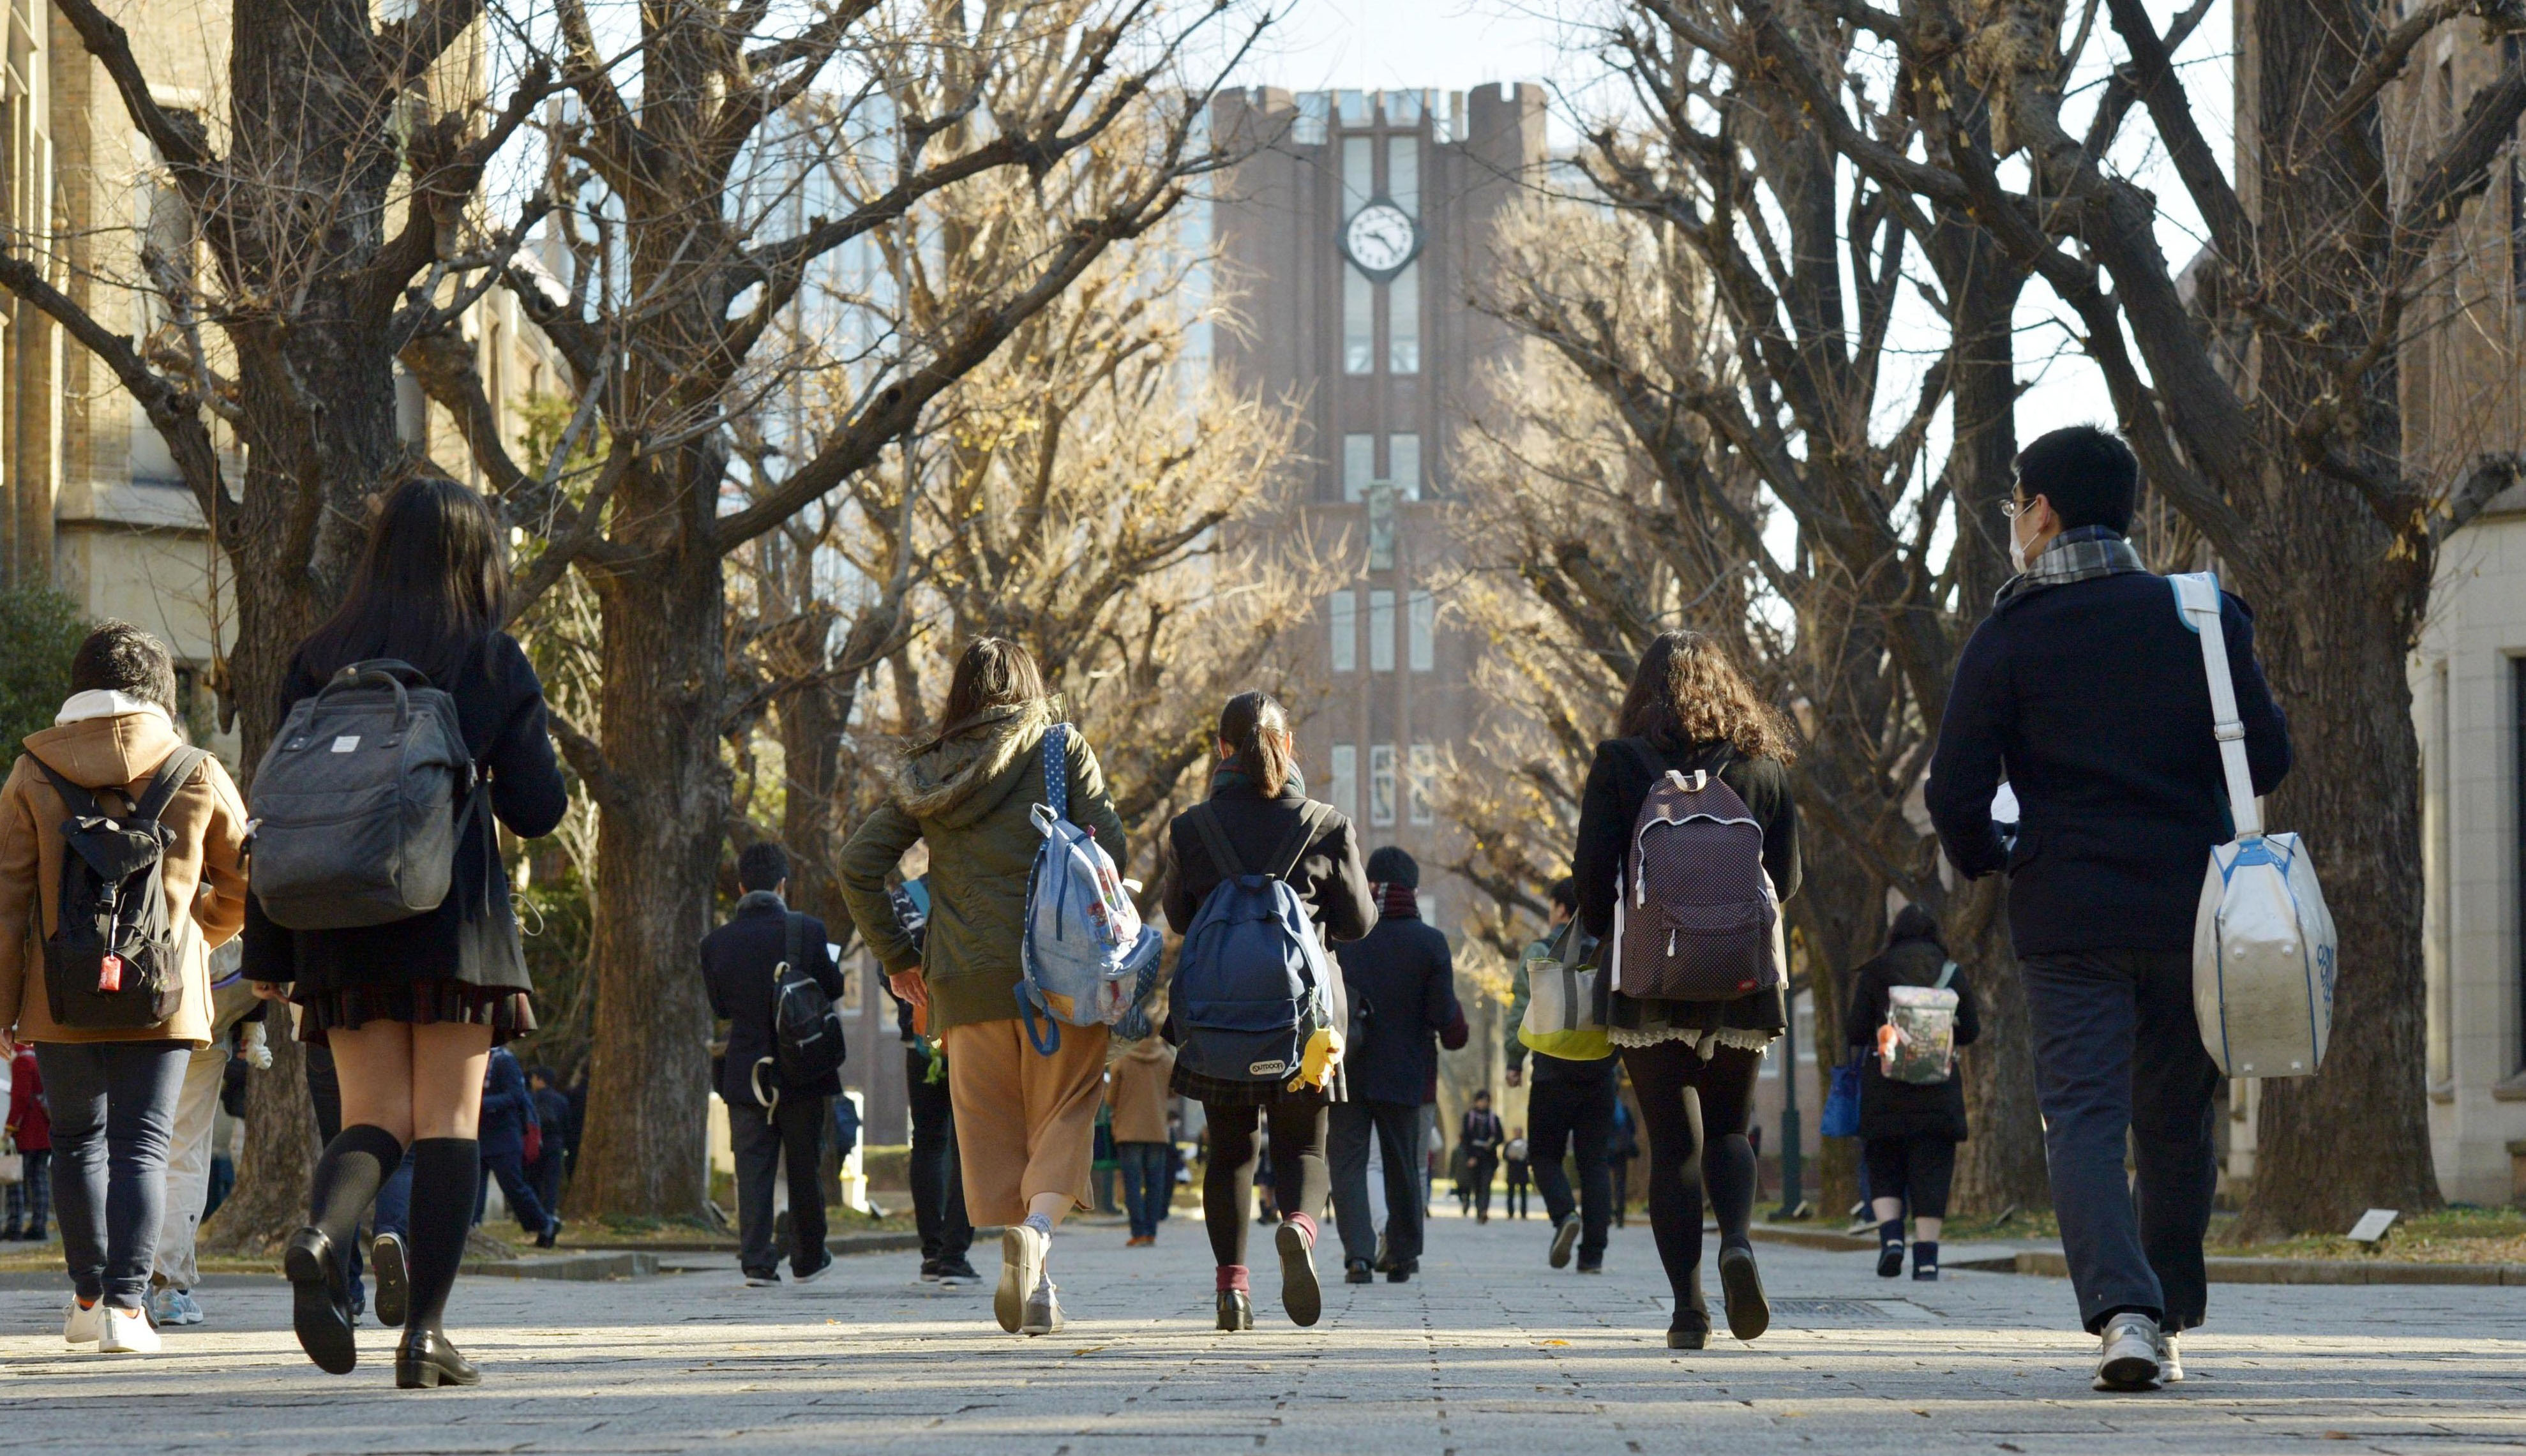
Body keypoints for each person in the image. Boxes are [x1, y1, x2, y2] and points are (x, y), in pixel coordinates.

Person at [1927, 424, 2290, 1392]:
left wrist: (1995, 860)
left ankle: (2122, 1314)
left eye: (2015, 505)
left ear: (2041, 512)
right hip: (2192, 907)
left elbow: (1953, 789)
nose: (2015, 522)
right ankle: (2165, 1309)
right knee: (2175, 1117)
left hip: (2067, 914)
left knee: (2082, 1115)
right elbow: (2268, 757)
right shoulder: (2203, 615)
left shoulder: (2009, 635)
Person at [246, 477, 569, 1388]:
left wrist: (272, 955)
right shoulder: (491, 658)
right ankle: (425, 1335)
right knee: (448, 1123)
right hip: (451, 922)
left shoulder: (317, 657)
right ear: (475, 558)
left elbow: (279, 811)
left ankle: (322, 1234)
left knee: (373, 1118)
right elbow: (539, 809)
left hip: (338, 926)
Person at [839, 638, 1129, 1337]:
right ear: (1028, 683)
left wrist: (902, 958)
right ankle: (1036, 1232)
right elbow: (1112, 847)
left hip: (962, 982)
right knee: (1064, 1110)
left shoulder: (932, 772)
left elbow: (857, 864)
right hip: (1059, 975)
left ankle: (1036, 1284)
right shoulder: (1059, 749)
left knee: (997, 1137)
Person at [0, 621, 251, 1355]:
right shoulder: (196, 768)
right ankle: (127, 1308)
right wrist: (196, 932)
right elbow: (243, 881)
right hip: (164, 993)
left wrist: (6, 1006)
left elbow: (8, 905)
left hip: (58, 993)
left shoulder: (31, 773)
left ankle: (84, 1300)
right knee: (143, 1143)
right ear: (160, 693)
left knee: (79, 1142)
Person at [1572, 628, 1801, 1351]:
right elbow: (1788, 880)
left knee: (1670, 1143)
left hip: (1648, 980)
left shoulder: (1619, 762)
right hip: (1742, 977)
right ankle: (1737, 1238)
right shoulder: (1762, 768)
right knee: (1731, 1128)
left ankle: (1689, 1311)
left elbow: (1588, 880)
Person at [1159, 691, 1376, 1332]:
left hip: (1220, 1017)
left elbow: (1176, 917)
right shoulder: (1326, 823)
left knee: (1229, 1152)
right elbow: (1360, 923)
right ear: (1288, 747)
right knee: (1304, 1150)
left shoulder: (1191, 828)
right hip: (1305, 1023)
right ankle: (1300, 1231)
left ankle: (1233, 1292)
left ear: (1222, 750)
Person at [702, 841, 844, 1287]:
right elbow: (832, 987)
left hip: (746, 1070)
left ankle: (758, 1262)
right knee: (805, 1165)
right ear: (783, 883)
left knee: (752, 1168)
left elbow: (721, 1007)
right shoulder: (807, 930)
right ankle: (808, 1257)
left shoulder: (715, 943)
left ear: (741, 885)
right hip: (803, 1066)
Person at [1328, 846, 1456, 1286]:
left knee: (1346, 1161)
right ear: (1413, 891)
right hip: (1404, 1071)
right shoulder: (1429, 943)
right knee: (1403, 1162)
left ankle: (1358, 1257)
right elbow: (1445, 1017)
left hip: (1345, 1066)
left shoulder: (1342, 939)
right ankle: (1401, 1255)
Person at [1839, 905, 1980, 1282]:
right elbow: (1971, 1032)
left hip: (1884, 1089)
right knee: (1932, 1172)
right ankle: (1928, 1260)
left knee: (1884, 1166)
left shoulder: (1877, 971)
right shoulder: (1951, 973)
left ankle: (1891, 1243)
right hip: (1938, 1090)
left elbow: (1854, 1031)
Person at [1506, 876, 1619, 1272]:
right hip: (1601, 1069)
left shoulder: (1541, 951)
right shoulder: (1613, 950)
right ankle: (1594, 1255)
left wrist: (1514, 1060)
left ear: (1559, 908)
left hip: (1552, 1070)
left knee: (1544, 1155)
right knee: (1594, 1162)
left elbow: (1523, 1007)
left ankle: (1564, 1215)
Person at [151, 959, 263, 1326]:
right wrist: (252, 1021)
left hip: (131, 1009)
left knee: (132, 1149)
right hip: (204, 1015)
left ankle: (147, 1283)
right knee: (185, 1151)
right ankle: (165, 1286)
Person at [473, 1045, 557, 1247]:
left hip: (503, 1136)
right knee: (474, 1186)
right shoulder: (476, 1056)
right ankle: (470, 1228)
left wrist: (481, 1103)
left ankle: (545, 1224)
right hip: (479, 1134)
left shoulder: (504, 1060)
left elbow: (515, 1096)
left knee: (513, 1187)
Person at [1108, 1032, 1175, 1247]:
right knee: (1155, 1183)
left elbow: (1111, 1098)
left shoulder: (1122, 1058)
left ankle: (1138, 1232)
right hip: (1157, 1129)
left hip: (1128, 1130)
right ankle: (1151, 1232)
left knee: (1133, 1182)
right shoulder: (1166, 1058)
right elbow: (1175, 1091)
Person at [5, 1043, 49, 1242]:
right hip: (44, 1129)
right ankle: (39, 1225)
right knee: (39, 1180)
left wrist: (10, 1127)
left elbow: (20, 1097)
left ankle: (15, 1225)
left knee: (16, 1179)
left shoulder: (22, 1061)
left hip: (27, 1131)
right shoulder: (41, 1060)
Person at [526, 1066, 573, 1227]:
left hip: (533, 1145)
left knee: (533, 1181)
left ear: (540, 1080)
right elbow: (567, 1124)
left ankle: (534, 1214)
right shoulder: (561, 1100)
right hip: (555, 1144)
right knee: (552, 1182)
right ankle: (550, 1213)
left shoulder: (530, 1099)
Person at [1459, 1091, 1504, 1224]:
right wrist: (1470, 1156)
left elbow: (1500, 1137)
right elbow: (1465, 1138)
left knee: (1486, 1184)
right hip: (1474, 1156)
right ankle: (1479, 1210)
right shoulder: (1469, 1117)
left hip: (1488, 1157)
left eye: (1486, 1101)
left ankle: (1484, 1210)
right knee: (1477, 1185)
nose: (1484, 1103)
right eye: (1481, 1100)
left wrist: (1492, 1143)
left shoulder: (1493, 1118)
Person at [1501, 1128, 1530, 1220]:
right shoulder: (1509, 1144)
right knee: (1510, 1194)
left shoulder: (1526, 1144)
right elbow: (1504, 1156)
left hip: (1523, 1171)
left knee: (1523, 1194)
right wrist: (1510, 1157)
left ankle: (1524, 1213)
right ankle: (1510, 1213)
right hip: (1512, 1172)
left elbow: (1529, 1156)